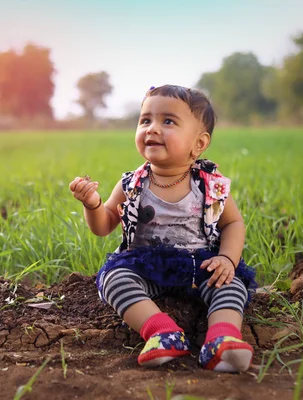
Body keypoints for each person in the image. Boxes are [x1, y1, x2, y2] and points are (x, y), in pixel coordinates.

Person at [69, 85, 257, 372]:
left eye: (167, 121)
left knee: (230, 283)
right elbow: (104, 225)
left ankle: (223, 339)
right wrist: (93, 205)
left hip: (201, 264)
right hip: (146, 266)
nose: (152, 129)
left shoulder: (211, 185)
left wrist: (227, 259)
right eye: (145, 120)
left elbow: (232, 222)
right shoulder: (132, 184)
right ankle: (162, 332)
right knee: (114, 279)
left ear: (199, 143)